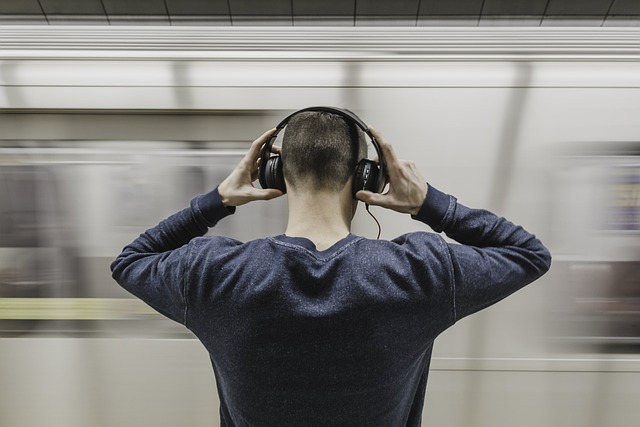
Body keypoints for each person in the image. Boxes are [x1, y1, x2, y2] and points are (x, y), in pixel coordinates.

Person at [111, 109, 551, 426]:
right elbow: (528, 254)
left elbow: (130, 261)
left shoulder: (215, 273)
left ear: (275, 174)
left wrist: (218, 201)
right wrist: (430, 204)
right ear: (366, 179)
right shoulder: (419, 271)